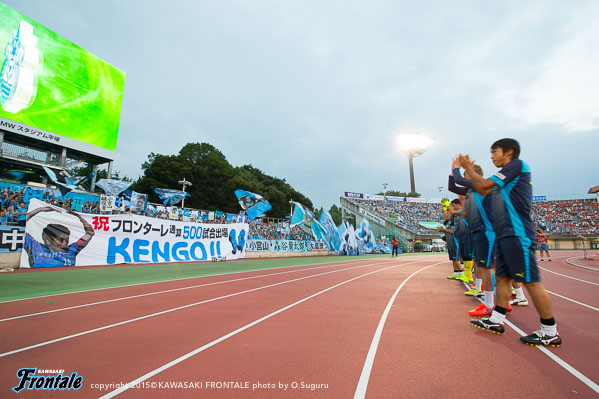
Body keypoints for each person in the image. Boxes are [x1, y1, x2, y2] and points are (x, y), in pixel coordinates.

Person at [460, 138, 561, 346]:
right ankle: (496, 320)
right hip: (504, 235)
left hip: (517, 234)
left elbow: (484, 185)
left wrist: (469, 169)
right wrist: (469, 171)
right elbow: (483, 188)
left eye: (494, 151)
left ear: (509, 152)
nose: (491, 156)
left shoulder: (516, 165)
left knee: (531, 282)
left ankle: (550, 331)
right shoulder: (503, 178)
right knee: (504, 279)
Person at [450, 158, 498, 315]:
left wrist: (457, 167)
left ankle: (490, 303)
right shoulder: (471, 190)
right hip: (477, 230)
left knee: (486, 267)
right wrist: (453, 172)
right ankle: (489, 299)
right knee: (481, 266)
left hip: (486, 230)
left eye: (466, 174)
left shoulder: (480, 185)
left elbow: (458, 180)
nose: (464, 177)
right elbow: (453, 185)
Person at [23, 206, 95, 268]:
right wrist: (41, 209)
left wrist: (79, 216)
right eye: (60, 239)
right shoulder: (35, 247)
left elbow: (90, 233)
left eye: (67, 239)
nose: (65, 242)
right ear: (47, 238)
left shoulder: (72, 249)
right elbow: (24, 227)